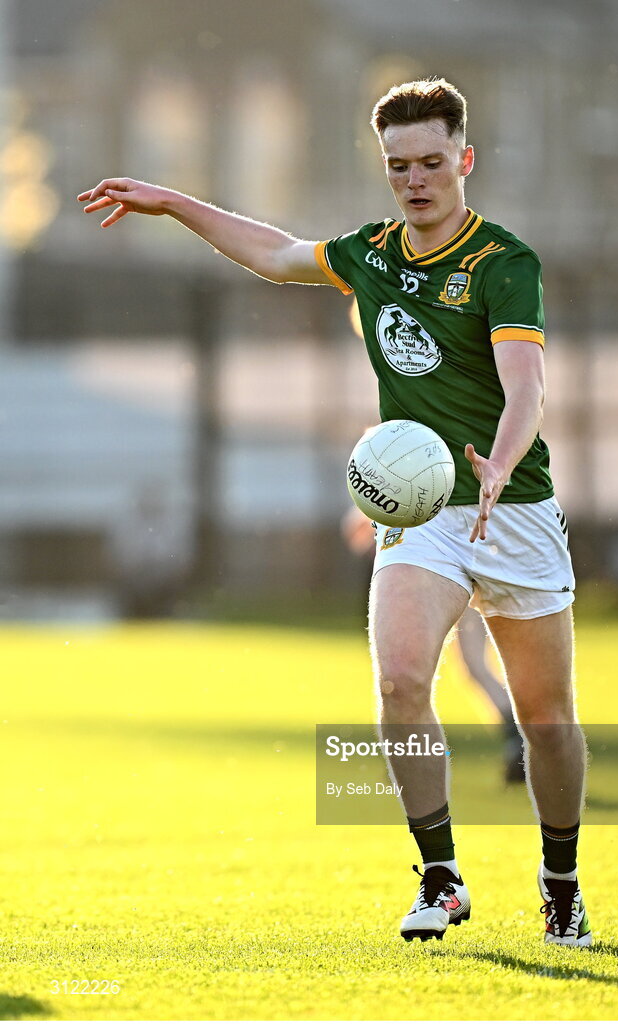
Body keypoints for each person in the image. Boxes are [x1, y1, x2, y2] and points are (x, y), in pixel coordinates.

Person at [78, 77, 591, 947]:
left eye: (433, 162)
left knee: (546, 719)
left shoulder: (505, 265)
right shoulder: (371, 252)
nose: (416, 180)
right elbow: (276, 253)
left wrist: (502, 462)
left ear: (465, 160)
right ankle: (440, 878)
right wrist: (170, 203)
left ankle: (561, 881)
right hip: (423, 512)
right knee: (398, 683)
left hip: (515, 509)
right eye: (399, 166)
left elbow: (528, 384)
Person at [341, 505, 525, 784]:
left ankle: (410, 756)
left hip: (439, 573)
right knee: (472, 666)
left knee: (410, 671)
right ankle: (518, 738)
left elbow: (356, 526)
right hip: (466, 562)